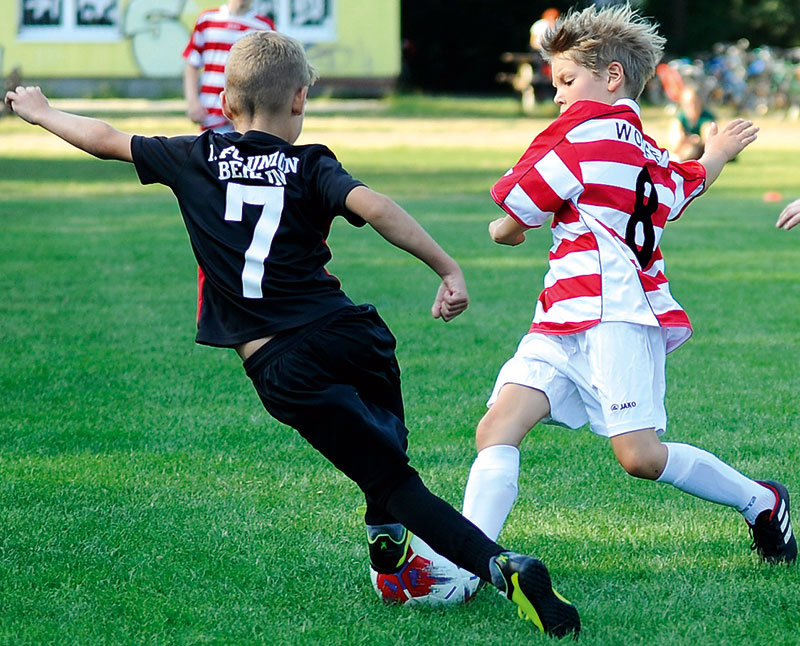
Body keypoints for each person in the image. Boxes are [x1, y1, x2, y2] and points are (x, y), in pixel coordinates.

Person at [5, 31, 581, 639]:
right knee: (382, 448)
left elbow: (106, 140)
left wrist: (41, 113)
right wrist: (447, 268)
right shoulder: (311, 164)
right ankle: (389, 561)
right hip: (354, 334)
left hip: (284, 363)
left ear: (226, 106)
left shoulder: (193, 156)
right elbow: (378, 206)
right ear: (301, 100)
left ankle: (501, 567)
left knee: (388, 477)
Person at [460, 4, 796, 566]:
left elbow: (513, 218)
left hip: (617, 316)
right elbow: (683, 189)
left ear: (611, 78)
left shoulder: (581, 139)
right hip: (561, 318)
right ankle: (469, 562)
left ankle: (761, 501)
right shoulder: (647, 152)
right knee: (498, 426)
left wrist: (507, 228)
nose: (559, 97)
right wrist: (714, 153)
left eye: (567, 81)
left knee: (640, 457)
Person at [183, 0, 274, 133]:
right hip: (210, 117)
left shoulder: (264, 27)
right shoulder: (207, 20)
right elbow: (192, 62)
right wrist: (192, 102)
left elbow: (268, 75)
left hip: (244, 119)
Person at [668, 84, 716, 160]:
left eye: (694, 102)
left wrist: (697, 141)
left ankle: (679, 159)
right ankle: (677, 158)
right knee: (684, 145)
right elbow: (677, 139)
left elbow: (708, 140)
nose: (691, 106)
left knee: (692, 149)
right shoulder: (680, 118)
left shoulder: (706, 118)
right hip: (686, 146)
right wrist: (688, 139)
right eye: (687, 103)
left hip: (701, 150)